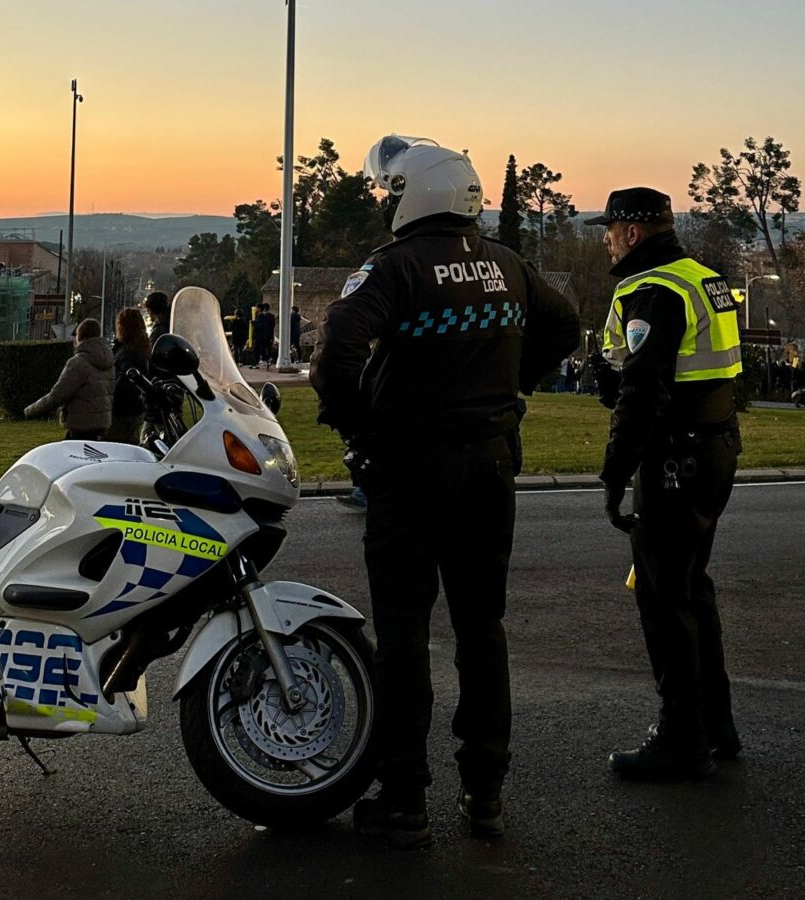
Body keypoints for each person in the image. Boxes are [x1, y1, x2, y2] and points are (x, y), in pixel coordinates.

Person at [310, 134, 579, 846]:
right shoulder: (508, 263)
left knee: (403, 635)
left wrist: (360, 428)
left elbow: (336, 349)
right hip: (491, 465)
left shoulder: (393, 267)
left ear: (413, 193)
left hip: (411, 470)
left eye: (389, 191)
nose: (383, 202)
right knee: (480, 630)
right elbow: (568, 326)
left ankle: (404, 799)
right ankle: (484, 791)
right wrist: (512, 387)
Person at [586, 187, 744, 781]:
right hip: (716, 444)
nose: (605, 238)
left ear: (632, 231)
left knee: (663, 596)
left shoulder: (651, 289)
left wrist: (614, 472)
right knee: (690, 588)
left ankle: (682, 737)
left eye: (610, 229)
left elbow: (644, 390)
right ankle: (715, 723)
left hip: (676, 457)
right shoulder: (701, 276)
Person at [24, 318, 115, 441]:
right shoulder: (109, 361)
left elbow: (58, 394)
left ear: (80, 336)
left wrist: (30, 411)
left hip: (81, 423)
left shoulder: (78, 363)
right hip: (102, 423)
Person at [105, 307, 151, 444]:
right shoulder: (141, 349)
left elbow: (124, 383)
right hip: (136, 408)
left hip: (122, 410)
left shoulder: (126, 353)